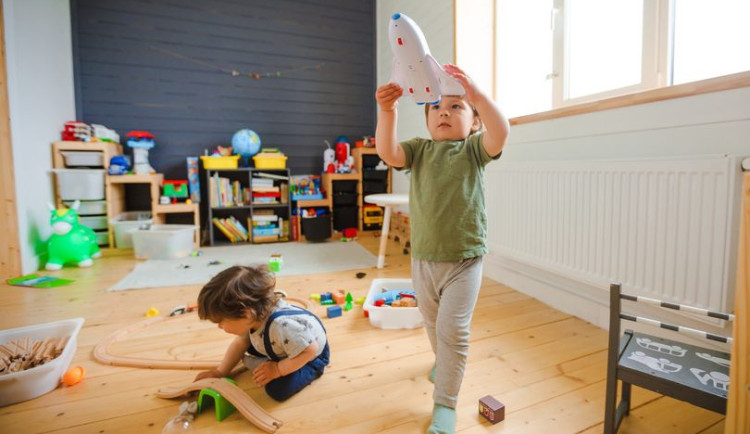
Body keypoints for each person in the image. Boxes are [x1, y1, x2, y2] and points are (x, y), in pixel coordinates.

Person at [374, 64, 509, 434]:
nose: (444, 112)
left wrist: (479, 96)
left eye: (457, 106)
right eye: (436, 107)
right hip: (423, 261)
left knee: (454, 330)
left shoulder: (474, 150)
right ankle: (443, 362)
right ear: (429, 118)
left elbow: (502, 133)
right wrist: (388, 112)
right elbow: (388, 152)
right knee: (433, 325)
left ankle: (445, 403)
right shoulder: (419, 151)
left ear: (475, 122)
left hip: (465, 260)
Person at [194, 264, 329, 402]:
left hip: (311, 356)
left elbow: (310, 350)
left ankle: (311, 369)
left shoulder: (282, 327)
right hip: (287, 343)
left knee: (277, 389)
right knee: (247, 344)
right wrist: (219, 372)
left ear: (246, 315)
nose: (219, 327)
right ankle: (274, 360)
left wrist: (277, 369)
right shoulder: (254, 316)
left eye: (220, 322)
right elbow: (240, 343)